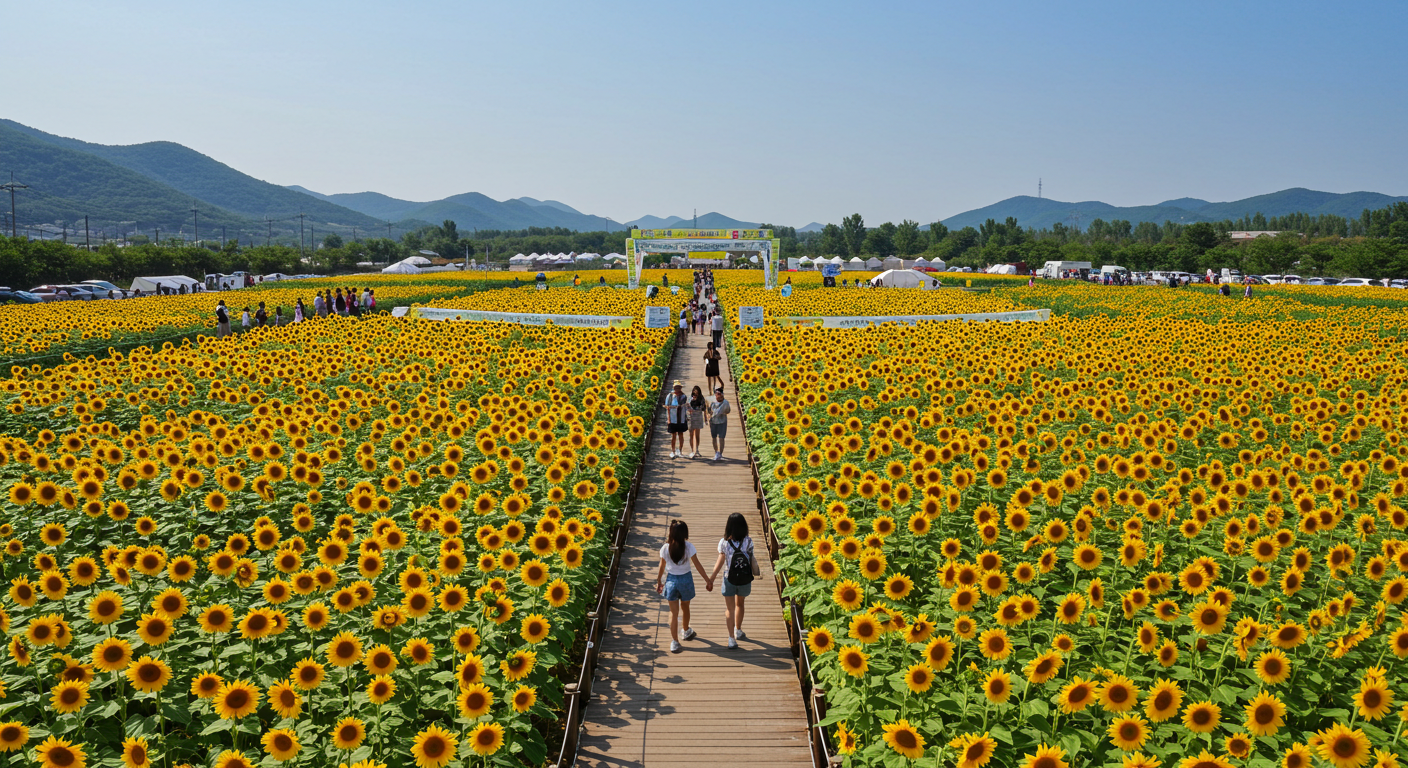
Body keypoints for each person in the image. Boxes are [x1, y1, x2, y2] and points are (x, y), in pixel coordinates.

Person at [655, 520, 711, 654]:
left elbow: (662, 566)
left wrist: (659, 581)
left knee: (673, 613)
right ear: (685, 533)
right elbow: (697, 564)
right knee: (685, 608)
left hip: (671, 581)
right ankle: (686, 631)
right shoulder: (689, 547)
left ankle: (674, 642)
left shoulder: (665, 548)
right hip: (686, 580)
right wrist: (707, 580)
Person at [708, 512, 759, 649]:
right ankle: (738, 630)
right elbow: (750, 558)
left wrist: (711, 579)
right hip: (744, 578)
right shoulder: (748, 541)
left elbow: (720, 561)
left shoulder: (724, 543)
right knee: (740, 604)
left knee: (729, 608)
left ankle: (731, 638)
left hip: (728, 578)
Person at [663, 381, 689, 458]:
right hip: (673, 417)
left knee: (681, 434)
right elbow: (667, 407)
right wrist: (668, 419)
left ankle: (680, 450)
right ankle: (673, 451)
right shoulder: (670, 396)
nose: (677, 389)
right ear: (674, 388)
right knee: (673, 435)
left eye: (679, 387)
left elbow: (684, 406)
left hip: (681, 418)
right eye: (676, 387)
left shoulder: (684, 396)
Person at [708, 386, 731, 461]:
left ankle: (720, 453)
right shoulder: (712, 402)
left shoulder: (725, 403)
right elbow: (709, 410)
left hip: (722, 421)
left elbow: (728, 411)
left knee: (721, 437)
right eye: (717, 394)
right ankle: (716, 452)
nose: (718, 395)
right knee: (714, 437)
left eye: (719, 394)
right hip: (713, 421)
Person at [687, 385, 706, 459]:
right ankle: (692, 450)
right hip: (691, 417)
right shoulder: (690, 398)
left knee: (697, 434)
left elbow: (704, 408)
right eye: (694, 393)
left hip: (698, 416)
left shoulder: (701, 399)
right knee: (691, 434)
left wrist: (706, 418)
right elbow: (687, 407)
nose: (695, 395)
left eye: (696, 394)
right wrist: (691, 402)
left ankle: (697, 450)